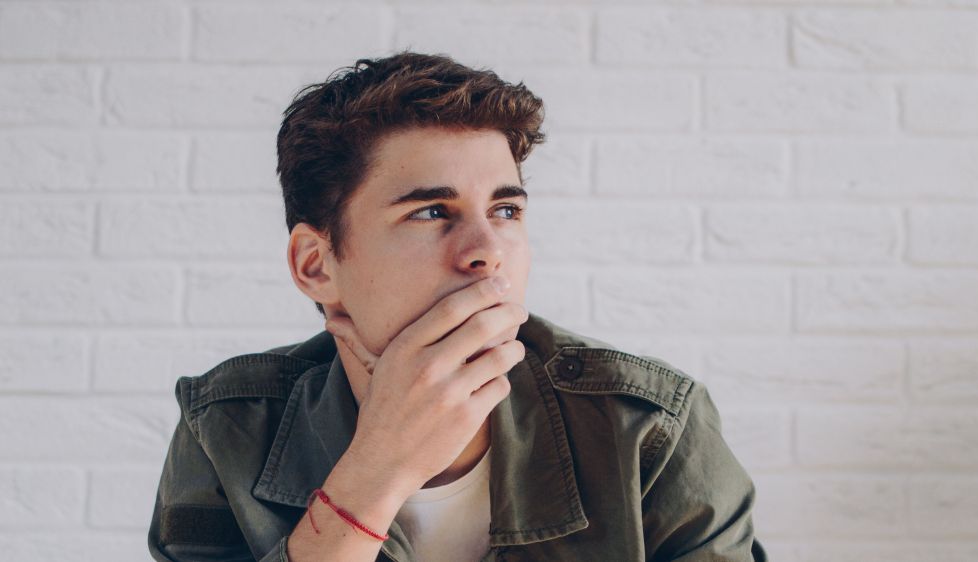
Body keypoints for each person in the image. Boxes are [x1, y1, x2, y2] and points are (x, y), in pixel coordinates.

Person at [148, 52, 767, 562]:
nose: (486, 252)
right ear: (318, 265)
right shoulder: (228, 427)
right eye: (431, 212)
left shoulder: (647, 430)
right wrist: (378, 468)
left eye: (506, 210)